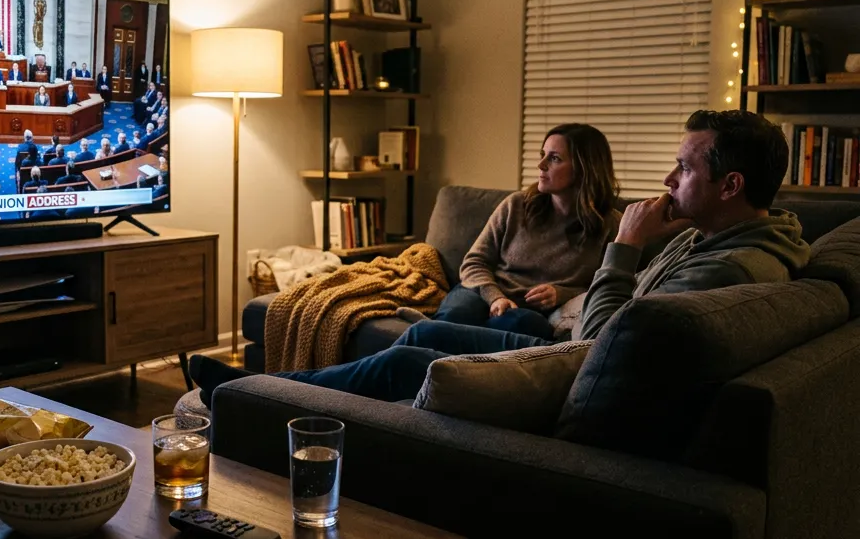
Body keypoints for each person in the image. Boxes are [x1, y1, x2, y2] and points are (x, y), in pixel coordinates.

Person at [190, 109, 813, 406]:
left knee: (410, 356)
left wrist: (622, 248)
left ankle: (257, 396)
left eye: (685, 167)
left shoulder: (728, 269)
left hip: (571, 361)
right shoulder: (711, 237)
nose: (670, 177)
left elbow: (598, 337)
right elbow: (480, 265)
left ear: (730, 186)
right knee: (433, 324)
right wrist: (498, 293)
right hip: (564, 341)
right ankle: (259, 388)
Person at [408, 124, 620, 340]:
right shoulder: (517, 205)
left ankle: (428, 334)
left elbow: (609, 286)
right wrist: (495, 297)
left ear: (585, 168)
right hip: (482, 291)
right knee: (456, 316)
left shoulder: (610, 225)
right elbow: (474, 262)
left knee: (523, 325)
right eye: (542, 155)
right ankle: (423, 339)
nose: (541, 165)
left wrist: (563, 293)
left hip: (524, 311)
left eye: (554, 158)